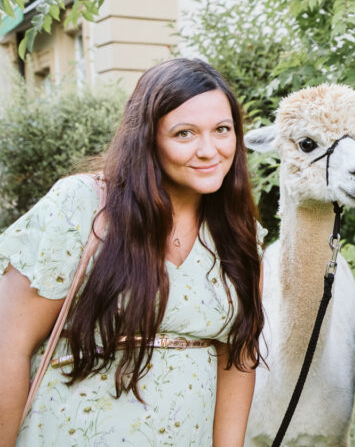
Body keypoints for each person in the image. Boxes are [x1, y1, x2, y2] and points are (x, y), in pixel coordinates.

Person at [0, 58, 266, 446]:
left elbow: (238, 359)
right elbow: (10, 344)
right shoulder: (83, 206)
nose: (210, 150)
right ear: (147, 138)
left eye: (222, 130)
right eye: (184, 133)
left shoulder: (241, 234)